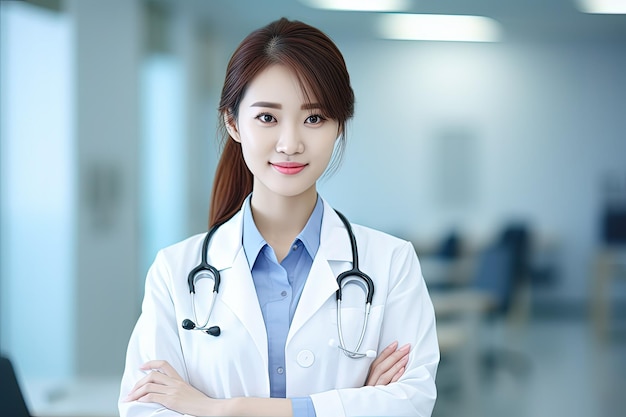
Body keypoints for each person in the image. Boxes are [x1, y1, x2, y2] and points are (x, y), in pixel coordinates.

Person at [119, 17, 439, 417]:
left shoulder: (391, 264)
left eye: (315, 118)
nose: (290, 143)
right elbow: (147, 408)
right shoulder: (174, 272)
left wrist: (220, 410)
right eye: (267, 118)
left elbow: (410, 403)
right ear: (233, 123)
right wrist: (350, 403)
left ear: (340, 125)